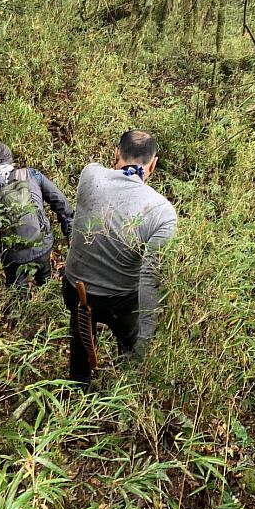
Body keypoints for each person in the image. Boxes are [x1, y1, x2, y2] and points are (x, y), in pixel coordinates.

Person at [63, 130, 177, 389]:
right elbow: (150, 278)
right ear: (153, 164)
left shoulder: (90, 175)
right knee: (128, 341)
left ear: (116, 153)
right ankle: (123, 386)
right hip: (119, 304)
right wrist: (145, 338)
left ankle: (76, 386)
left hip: (74, 290)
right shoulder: (162, 212)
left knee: (81, 328)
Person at [0, 143, 73, 289]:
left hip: (12, 256)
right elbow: (60, 202)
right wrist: (69, 230)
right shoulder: (31, 174)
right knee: (45, 282)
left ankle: (18, 305)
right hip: (42, 245)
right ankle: (45, 295)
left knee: (16, 290)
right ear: (10, 159)